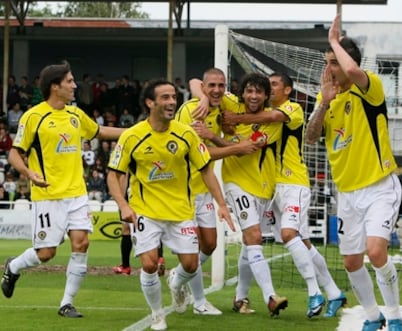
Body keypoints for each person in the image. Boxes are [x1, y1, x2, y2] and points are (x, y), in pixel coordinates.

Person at [106, 78, 234, 331]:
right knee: (150, 264)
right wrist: (123, 205)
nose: (172, 102)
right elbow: (114, 174)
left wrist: (221, 203)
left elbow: (206, 169)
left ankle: (176, 283)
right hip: (146, 212)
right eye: (165, 97)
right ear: (149, 103)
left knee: (190, 264)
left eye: (174, 97)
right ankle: (156, 314)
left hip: (181, 212)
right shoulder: (132, 136)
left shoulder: (186, 133)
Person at [0, 61, 125, 318]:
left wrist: (135, 132)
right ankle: (13, 266)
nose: (74, 85)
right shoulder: (34, 116)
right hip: (48, 196)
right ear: (55, 86)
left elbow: (99, 132)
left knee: (82, 243)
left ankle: (66, 303)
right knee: (46, 254)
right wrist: (28, 173)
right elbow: (14, 153)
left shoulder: (75, 114)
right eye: (69, 81)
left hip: (76, 193)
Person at [305, 15, 402, 331]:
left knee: (376, 252)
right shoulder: (328, 99)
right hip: (346, 193)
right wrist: (323, 104)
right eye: (327, 63)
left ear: (349, 62)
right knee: (351, 261)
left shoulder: (370, 88)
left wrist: (335, 40)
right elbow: (310, 136)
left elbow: (351, 71)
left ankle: (396, 316)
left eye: (333, 62)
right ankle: (374, 317)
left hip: (379, 187)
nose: (329, 69)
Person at [222, 71, 347, 318]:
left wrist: (236, 118)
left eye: (273, 85)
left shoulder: (292, 109)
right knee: (299, 243)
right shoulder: (261, 116)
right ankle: (333, 292)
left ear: (287, 90)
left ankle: (314, 292)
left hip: (294, 183)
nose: (268, 89)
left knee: (288, 234)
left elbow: (272, 115)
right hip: (272, 187)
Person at [191, 72, 288, 317]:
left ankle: (240, 297)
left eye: (259, 92)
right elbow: (196, 83)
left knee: (250, 243)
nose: (253, 96)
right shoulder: (231, 102)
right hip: (236, 184)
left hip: (265, 188)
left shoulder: (272, 123)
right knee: (254, 236)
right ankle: (270, 297)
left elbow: (245, 149)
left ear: (266, 95)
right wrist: (203, 98)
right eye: (249, 91)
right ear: (242, 93)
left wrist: (213, 136)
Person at [176, 68, 262, 316]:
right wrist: (236, 148)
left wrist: (230, 142)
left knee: (210, 245)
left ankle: (178, 276)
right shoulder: (192, 111)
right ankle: (199, 302)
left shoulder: (224, 106)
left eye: (220, 86)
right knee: (194, 247)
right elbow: (198, 155)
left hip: (205, 187)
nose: (215, 90)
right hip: (185, 191)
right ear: (204, 88)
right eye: (210, 86)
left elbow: (193, 79)